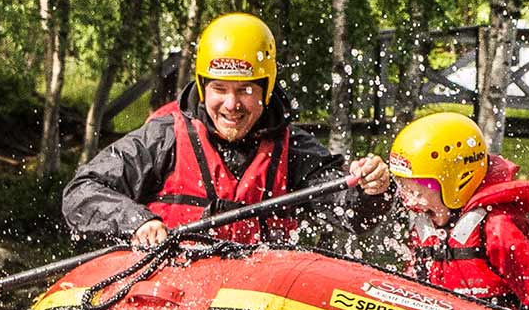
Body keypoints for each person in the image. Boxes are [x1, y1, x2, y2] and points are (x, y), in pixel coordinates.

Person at [62, 13, 391, 248]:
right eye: (220, 89)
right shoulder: (163, 138)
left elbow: (352, 214)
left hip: (256, 302)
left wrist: (371, 190)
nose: (231, 104)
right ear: (204, 87)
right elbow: (81, 190)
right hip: (172, 292)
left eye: (246, 90)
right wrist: (137, 221)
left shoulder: (294, 151)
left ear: (266, 88)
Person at [387, 112, 529, 310]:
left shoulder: (498, 228)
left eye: (417, 185)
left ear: (454, 181)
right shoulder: (425, 225)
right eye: (401, 182)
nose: (405, 193)